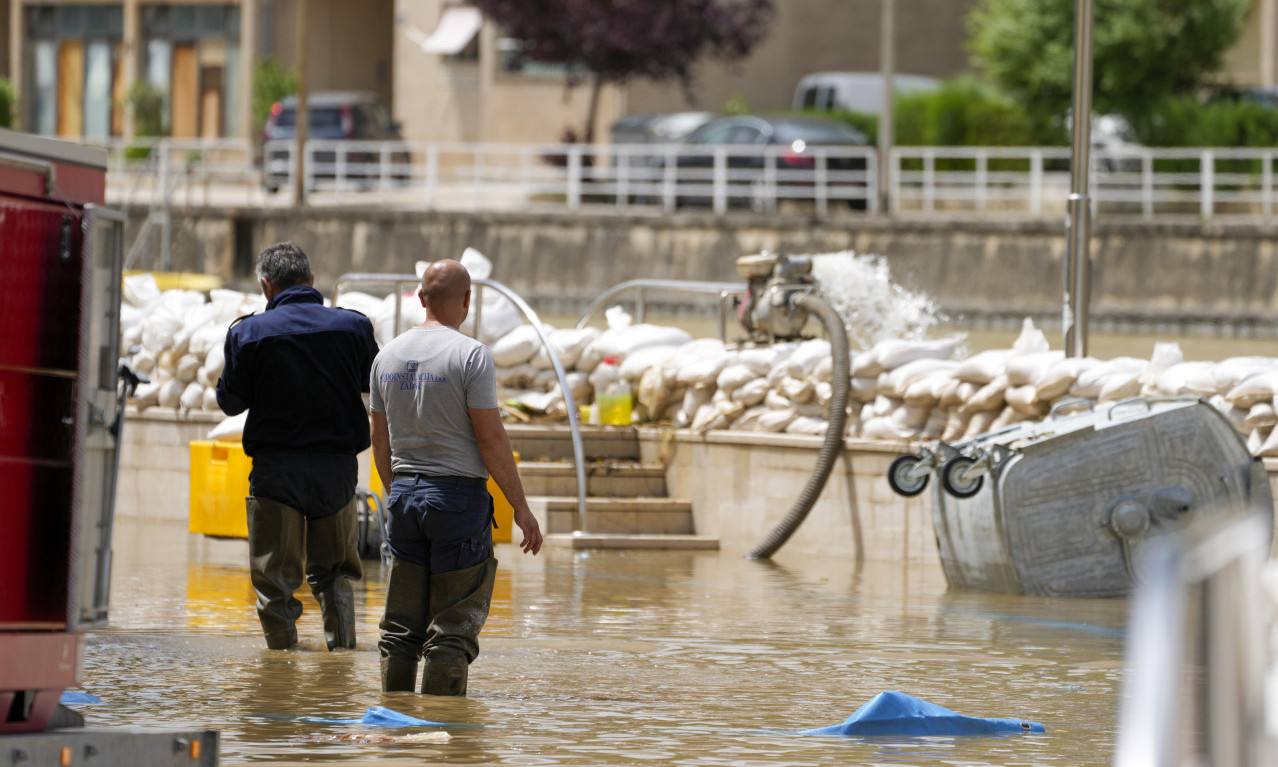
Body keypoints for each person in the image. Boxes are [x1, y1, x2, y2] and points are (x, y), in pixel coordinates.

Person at [371, 258, 543, 695]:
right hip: (455, 501)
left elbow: (379, 438)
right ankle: (443, 738)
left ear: (420, 298)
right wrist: (521, 508)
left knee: (400, 628)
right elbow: (491, 439)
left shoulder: (385, 356)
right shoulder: (471, 355)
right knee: (450, 630)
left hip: (404, 499)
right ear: (467, 301)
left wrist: (396, 495)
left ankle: (394, 727)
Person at [216, 242, 378, 651]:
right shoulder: (353, 327)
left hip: (275, 473)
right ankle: (341, 660)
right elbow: (371, 384)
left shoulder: (247, 333)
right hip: (336, 472)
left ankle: (280, 668)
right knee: (336, 574)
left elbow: (230, 402)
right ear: (310, 280)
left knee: (275, 580)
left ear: (267, 286)